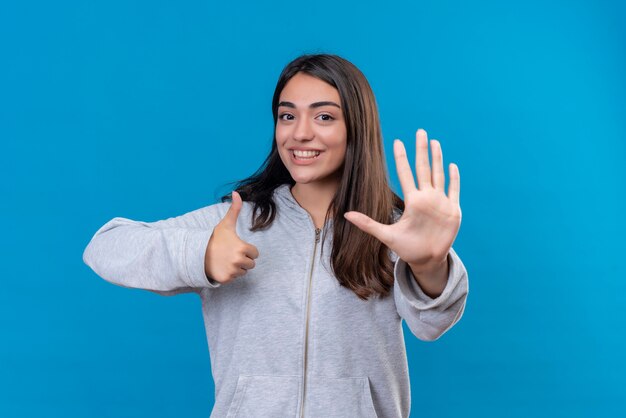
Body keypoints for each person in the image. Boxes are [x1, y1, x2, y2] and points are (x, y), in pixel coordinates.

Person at [82, 53, 469, 418]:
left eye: (324, 117)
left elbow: (431, 325)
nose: (300, 133)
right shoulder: (235, 222)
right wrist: (200, 255)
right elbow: (105, 247)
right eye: (287, 116)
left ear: (356, 128)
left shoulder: (393, 230)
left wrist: (428, 264)